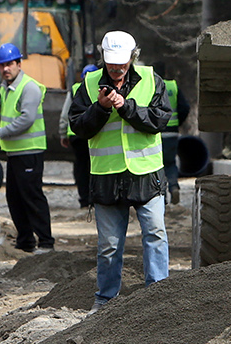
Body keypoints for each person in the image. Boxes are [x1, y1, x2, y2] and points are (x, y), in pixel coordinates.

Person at [68, 30, 171, 310]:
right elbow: (78, 127)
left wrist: (127, 107)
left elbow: (160, 120)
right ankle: (105, 301)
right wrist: (99, 109)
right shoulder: (89, 85)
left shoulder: (152, 80)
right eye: (111, 63)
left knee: (156, 235)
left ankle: (158, 296)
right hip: (107, 177)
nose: (116, 69)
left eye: (122, 64)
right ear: (103, 59)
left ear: (132, 58)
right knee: (109, 246)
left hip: (146, 175)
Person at [0, 43, 54, 253]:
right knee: (15, 198)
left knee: (32, 197)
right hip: (14, 153)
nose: (5, 69)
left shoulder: (29, 87)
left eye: (9, 64)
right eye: (2, 65)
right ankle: (25, 241)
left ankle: (45, 243)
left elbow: (26, 119)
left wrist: (2, 131)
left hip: (30, 152)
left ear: (19, 63)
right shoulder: (5, 87)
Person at [59, 63, 96, 209]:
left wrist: (63, 133)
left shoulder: (75, 89)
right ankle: (95, 197)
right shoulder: (100, 89)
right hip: (93, 134)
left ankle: (84, 199)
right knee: (94, 166)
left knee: (81, 167)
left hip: (76, 135)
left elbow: (65, 114)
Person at [159, 71, 192, 205]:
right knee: (170, 163)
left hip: (156, 132)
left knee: (157, 165)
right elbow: (185, 107)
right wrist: (177, 122)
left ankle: (162, 195)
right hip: (172, 132)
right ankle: (173, 187)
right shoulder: (173, 85)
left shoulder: (151, 85)